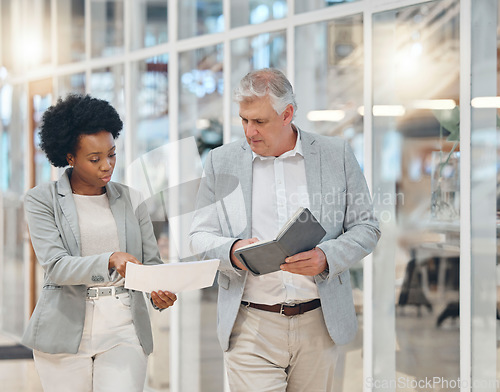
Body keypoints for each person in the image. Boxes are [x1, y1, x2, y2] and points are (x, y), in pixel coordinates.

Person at [189, 68, 381, 391]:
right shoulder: (220, 162)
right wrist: (233, 251)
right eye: (244, 120)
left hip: (319, 323)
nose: (250, 132)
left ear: (287, 114)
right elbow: (198, 236)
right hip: (251, 326)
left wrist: (326, 256)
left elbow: (367, 227)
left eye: (259, 122)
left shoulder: (336, 156)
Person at [22, 94, 177, 392]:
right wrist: (110, 259)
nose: (107, 165)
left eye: (112, 154)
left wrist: (160, 291)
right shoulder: (42, 200)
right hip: (64, 328)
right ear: (70, 158)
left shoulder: (131, 199)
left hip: (123, 325)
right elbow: (56, 267)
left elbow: (151, 265)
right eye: (95, 159)